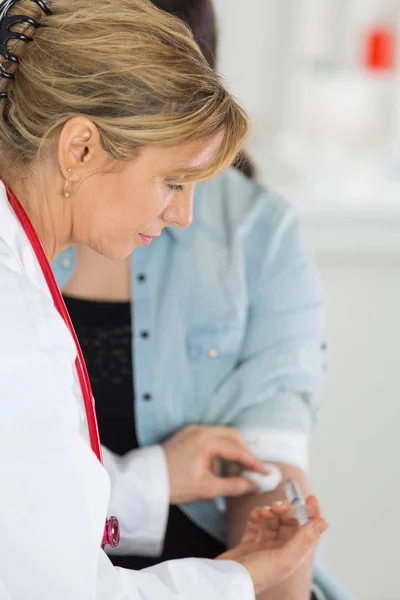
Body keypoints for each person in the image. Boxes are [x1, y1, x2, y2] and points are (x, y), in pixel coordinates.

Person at [0, 0, 329, 599]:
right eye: (173, 182)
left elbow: (29, 487)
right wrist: (240, 577)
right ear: (79, 149)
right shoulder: (16, 322)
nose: (184, 215)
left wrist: (149, 483)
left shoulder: (22, 278)